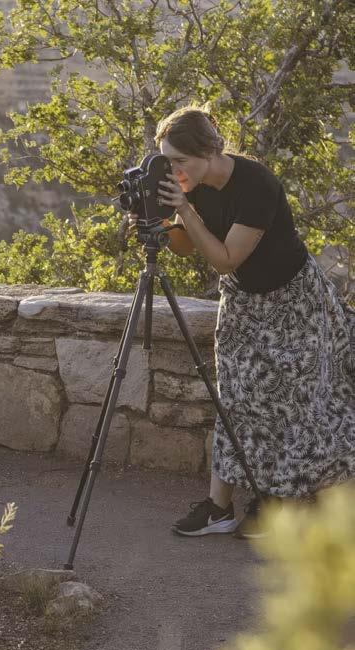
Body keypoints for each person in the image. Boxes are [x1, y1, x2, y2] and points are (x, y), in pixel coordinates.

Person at [131, 106, 355, 539]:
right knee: (233, 397)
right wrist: (155, 223)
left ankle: (278, 506)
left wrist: (184, 209)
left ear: (209, 151)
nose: (173, 170)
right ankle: (219, 507)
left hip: (294, 302)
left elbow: (225, 258)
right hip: (243, 301)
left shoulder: (257, 185)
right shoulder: (192, 185)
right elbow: (186, 246)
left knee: (298, 404)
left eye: (179, 160)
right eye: (167, 161)